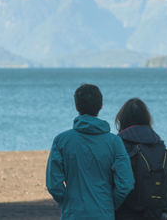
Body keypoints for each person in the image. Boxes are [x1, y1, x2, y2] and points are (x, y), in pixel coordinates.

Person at [46, 84, 135, 220]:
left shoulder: (62, 140)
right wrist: (110, 204)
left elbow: (54, 184)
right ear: (101, 105)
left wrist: (67, 203)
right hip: (103, 213)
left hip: (73, 213)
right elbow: (125, 183)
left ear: (76, 106)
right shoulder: (114, 142)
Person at [115, 98, 167, 220]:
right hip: (158, 213)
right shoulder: (158, 144)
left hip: (126, 212)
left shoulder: (119, 144)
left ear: (122, 120)